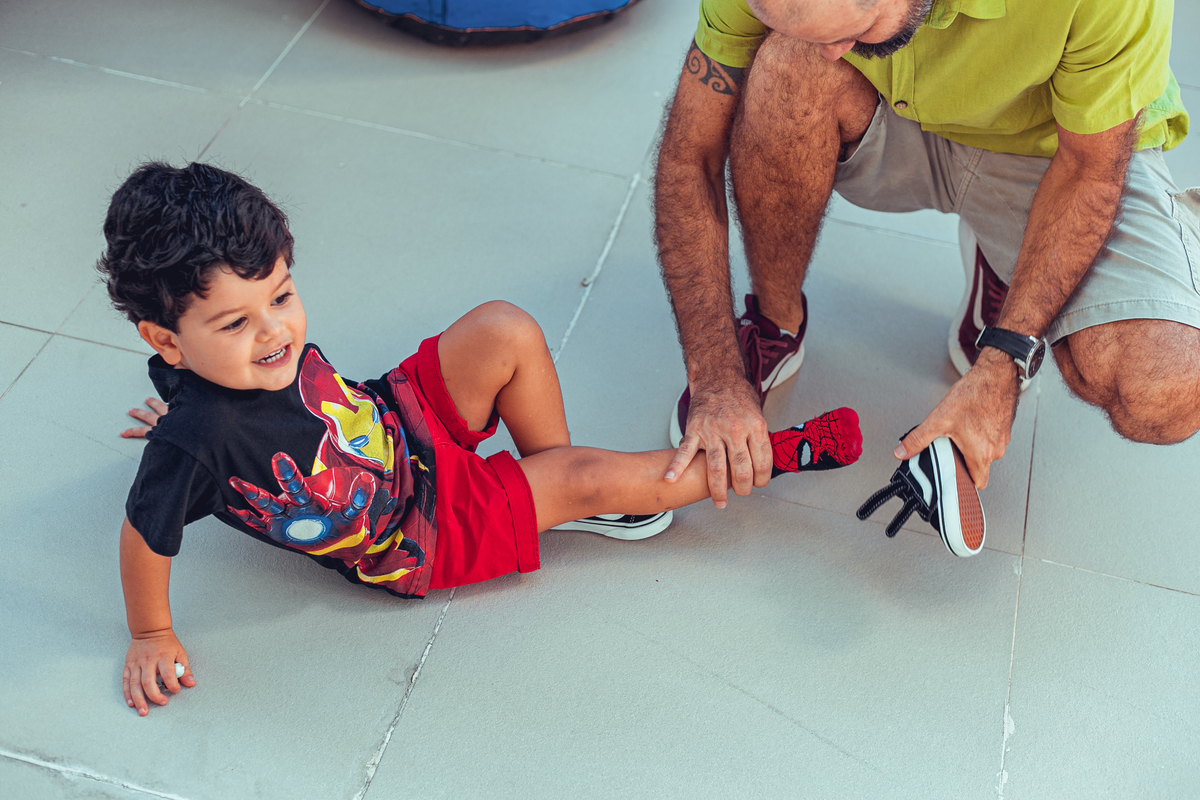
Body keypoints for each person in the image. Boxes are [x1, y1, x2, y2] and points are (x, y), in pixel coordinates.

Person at [102, 162, 864, 716]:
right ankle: (777, 454)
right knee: (583, 480)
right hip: (413, 532)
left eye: (281, 296)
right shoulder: (191, 444)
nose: (275, 332)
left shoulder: (201, 376)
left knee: (506, 327)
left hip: (394, 421)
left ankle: (551, 481)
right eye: (235, 324)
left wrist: (177, 403)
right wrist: (152, 631)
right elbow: (145, 537)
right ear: (167, 341)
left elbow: (204, 382)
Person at [654, 0, 1198, 511]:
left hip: (1056, 151)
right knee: (783, 65)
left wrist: (1003, 360)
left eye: (855, 32)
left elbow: (1088, 170)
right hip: (894, 111)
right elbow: (689, 155)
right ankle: (774, 323)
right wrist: (715, 375)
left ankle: (1013, 258)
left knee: (1163, 392)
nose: (833, 50)